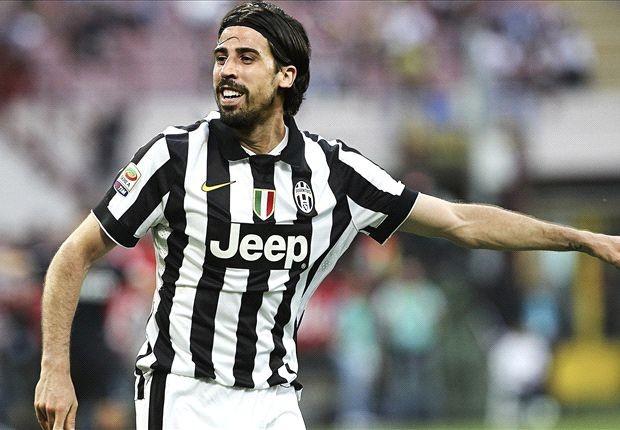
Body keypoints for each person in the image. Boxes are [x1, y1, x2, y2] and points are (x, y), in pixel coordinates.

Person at [33, 2, 620, 429]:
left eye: (245, 57)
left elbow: (462, 223)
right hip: (184, 394)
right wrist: (55, 368)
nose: (226, 70)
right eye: (220, 57)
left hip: (275, 400)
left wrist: (580, 240)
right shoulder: (174, 156)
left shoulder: (335, 172)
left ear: (286, 75)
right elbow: (73, 255)